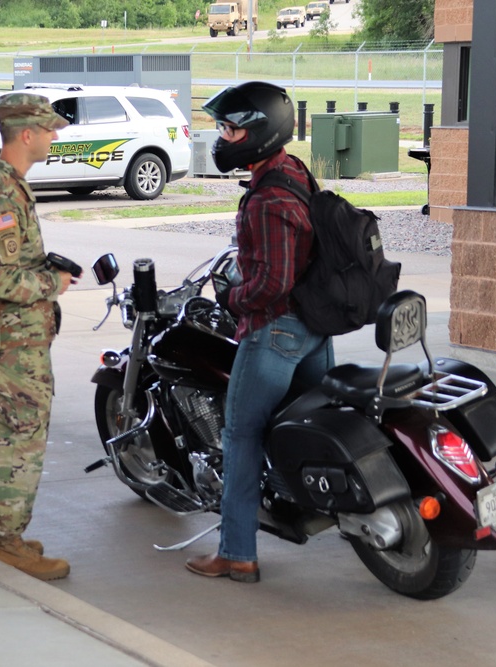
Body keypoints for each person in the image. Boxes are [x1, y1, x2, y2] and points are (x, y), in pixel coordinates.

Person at [185, 82, 334, 583]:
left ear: (260, 133)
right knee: (304, 425)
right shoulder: (293, 172)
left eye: (231, 128)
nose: (224, 138)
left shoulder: (266, 200)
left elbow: (272, 284)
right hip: (315, 328)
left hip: (276, 331)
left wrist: (231, 297)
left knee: (240, 435)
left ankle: (237, 552)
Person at [0, 92, 75, 581]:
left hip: (13, 335)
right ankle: (7, 543)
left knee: (10, 430)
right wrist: (55, 283)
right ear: (26, 134)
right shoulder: (1, 192)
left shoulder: (0, 183)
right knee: (20, 439)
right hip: (13, 338)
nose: (52, 137)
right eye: (48, 130)